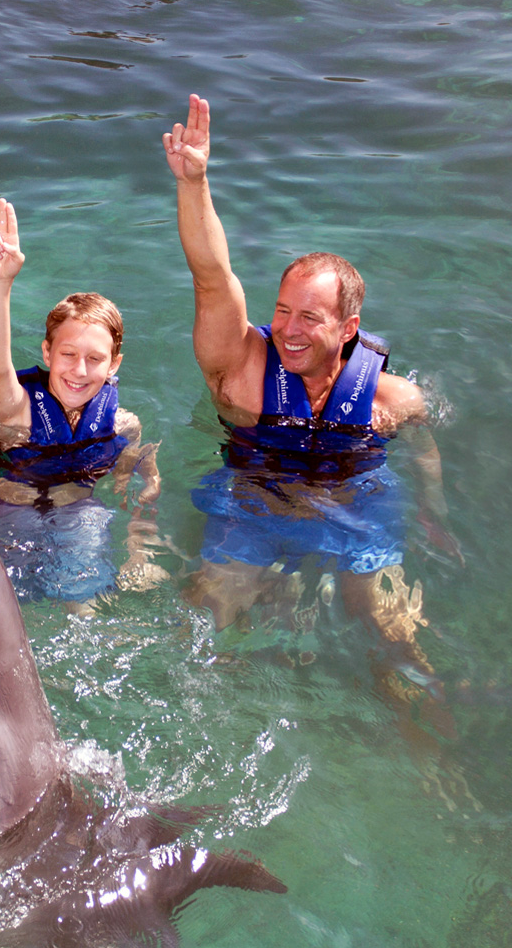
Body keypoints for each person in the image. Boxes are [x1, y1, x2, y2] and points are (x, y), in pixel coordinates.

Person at [164, 95, 469, 793]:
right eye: (282, 311)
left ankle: (439, 768)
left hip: (356, 507)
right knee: (201, 622)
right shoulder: (238, 373)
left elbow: (423, 446)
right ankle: (210, 756)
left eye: (311, 317)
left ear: (350, 329)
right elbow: (211, 275)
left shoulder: (392, 401)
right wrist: (194, 182)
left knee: (394, 639)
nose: (290, 329)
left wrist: (436, 512)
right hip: (255, 504)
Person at [0, 198, 167, 610]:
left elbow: (131, 492)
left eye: (95, 359)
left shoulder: (123, 426)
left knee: (84, 600)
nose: (79, 370)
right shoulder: (18, 411)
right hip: (8, 512)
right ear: (47, 352)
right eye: (67, 355)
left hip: (78, 515)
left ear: (114, 364)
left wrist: (138, 550)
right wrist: (0, 283)